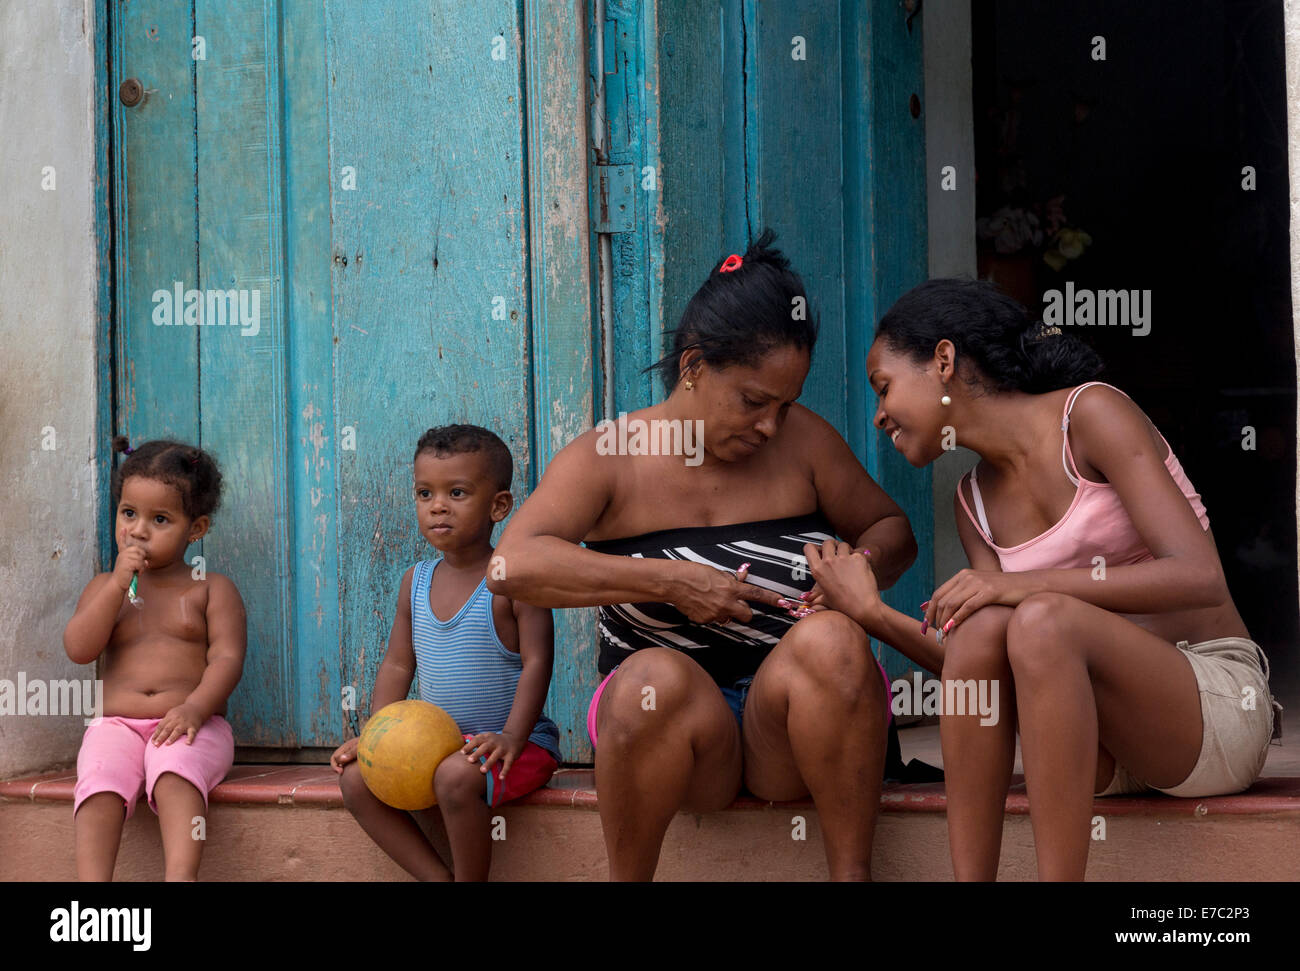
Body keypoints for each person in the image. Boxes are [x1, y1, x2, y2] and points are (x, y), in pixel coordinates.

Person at [490, 230, 936, 881]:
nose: (769, 427)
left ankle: (852, 875)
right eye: (753, 401)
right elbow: (512, 564)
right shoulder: (610, 454)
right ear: (693, 366)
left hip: (788, 728)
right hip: (683, 740)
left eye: (786, 406)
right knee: (650, 680)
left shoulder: (804, 443)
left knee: (837, 640)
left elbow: (892, 528)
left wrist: (858, 565)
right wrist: (673, 581)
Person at [809, 277, 1279, 881]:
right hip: (1099, 752)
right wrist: (873, 614)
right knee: (984, 633)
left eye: (884, 388)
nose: (877, 416)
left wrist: (1023, 586)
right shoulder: (972, 499)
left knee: (1040, 618)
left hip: (1210, 711)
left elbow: (1201, 577)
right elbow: (979, 676)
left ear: (944, 361)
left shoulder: (1091, 414)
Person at [331, 425, 561, 881]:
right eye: (424, 493)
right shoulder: (414, 582)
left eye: (457, 492)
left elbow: (539, 661)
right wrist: (377, 736)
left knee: (455, 778)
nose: (437, 505)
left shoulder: (512, 581)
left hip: (517, 746)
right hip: (441, 748)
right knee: (357, 779)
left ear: (498, 506)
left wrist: (513, 737)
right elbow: (398, 664)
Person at [64, 437, 246, 881]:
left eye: (159, 519)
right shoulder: (104, 588)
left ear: (196, 528)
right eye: (129, 513)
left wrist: (195, 707)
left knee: (175, 771)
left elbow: (227, 658)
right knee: (99, 780)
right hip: (117, 725)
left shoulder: (210, 589)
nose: (138, 530)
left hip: (190, 723)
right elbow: (79, 648)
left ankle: (179, 877)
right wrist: (115, 586)